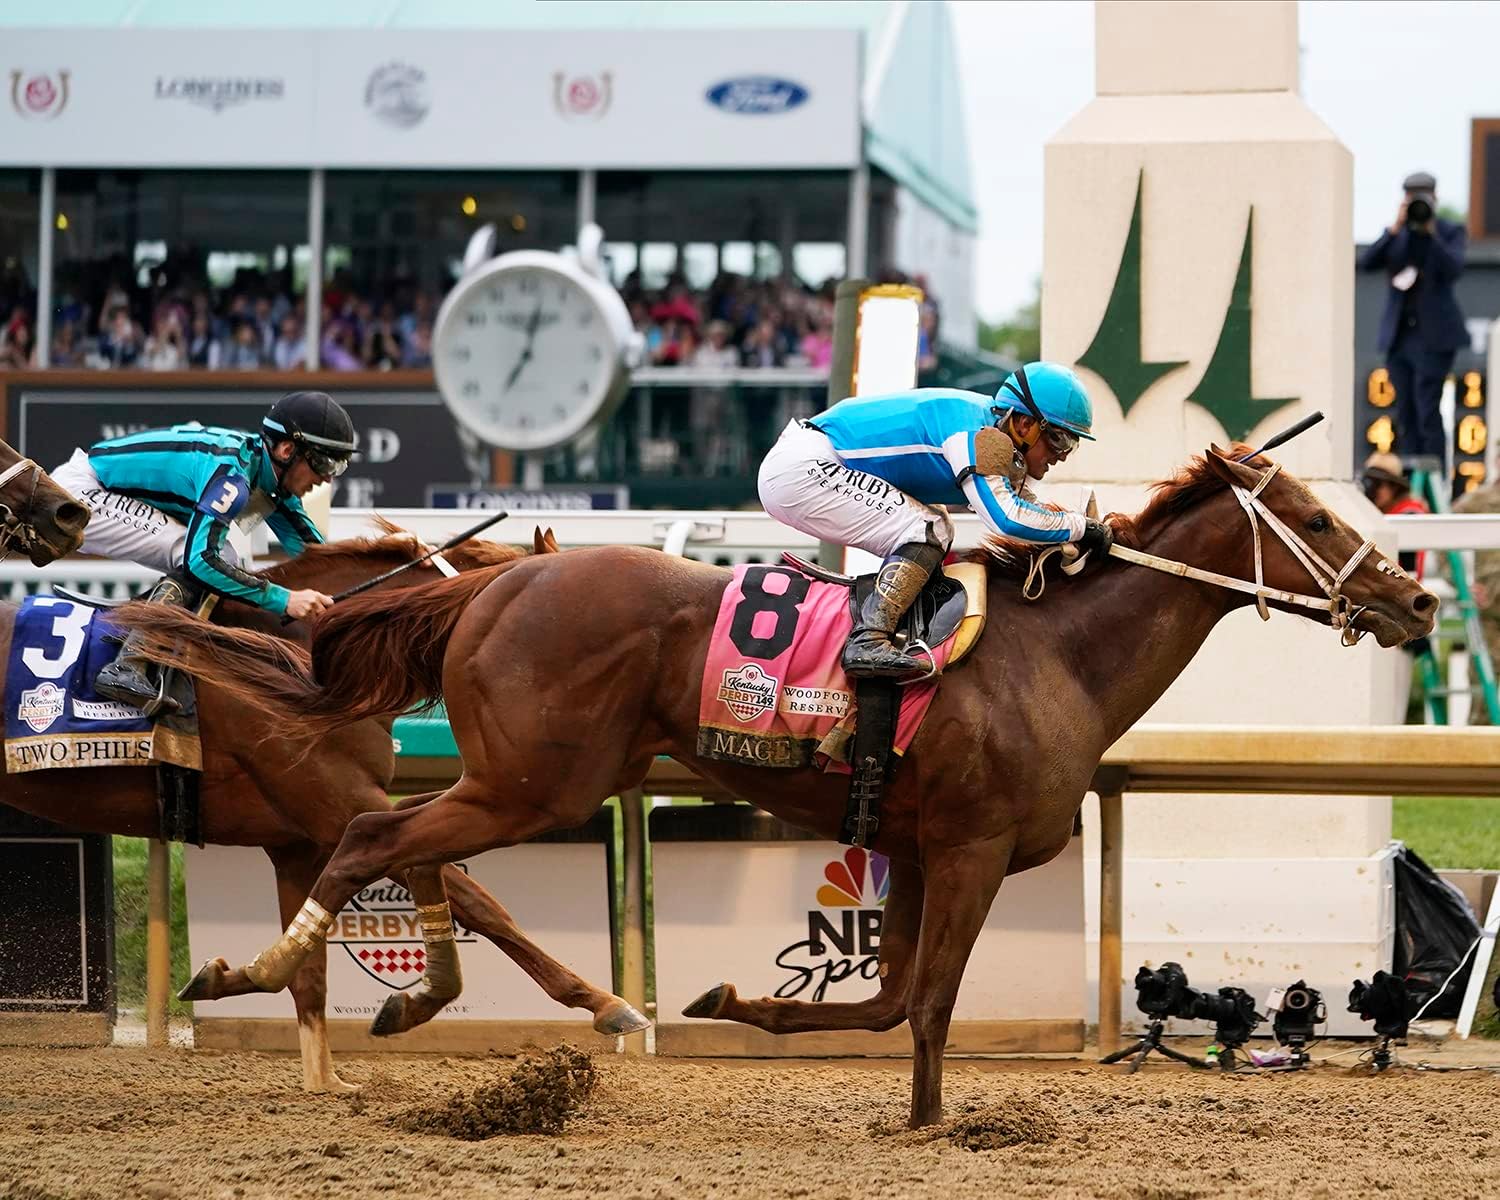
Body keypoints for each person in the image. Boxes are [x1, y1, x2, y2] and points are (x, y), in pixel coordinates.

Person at [758, 362, 1112, 677]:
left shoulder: (990, 430)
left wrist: (1071, 524)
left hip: (810, 461)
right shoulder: (977, 436)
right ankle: (867, 639)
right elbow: (1007, 519)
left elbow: (1023, 506)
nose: (1062, 456)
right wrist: (1080, 526)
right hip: (803, 467)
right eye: (1058, 439)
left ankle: (888, 629)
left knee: (935, 525)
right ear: (1023, 424)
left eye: (1071, 444)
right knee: (928, 529)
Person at [50, 390, 357, 714]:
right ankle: (129, 663)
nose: (325, 478)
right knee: (212, 557)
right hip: (82, 493)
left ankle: (140, 635)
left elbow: (320, 557)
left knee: (223, 557)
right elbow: (201, 562)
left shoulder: (268, 480)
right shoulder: (233, 478)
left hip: (103, 485)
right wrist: (285, 599)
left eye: (337, 467)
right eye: (323, 462)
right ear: (286, 450)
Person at [1358, 171, 1468, 461]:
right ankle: (1408, 478)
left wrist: (1430, 233)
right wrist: (1394, 229)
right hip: (1400, 337)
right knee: (1405, 410)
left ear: (1435, 198)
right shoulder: (1397, 233)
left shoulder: (1448, 231)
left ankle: (1433, 477)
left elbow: (1453, 269)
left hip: (1435, 336)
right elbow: (1367, 262)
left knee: (1427, 408)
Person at [1453, 477, 1500, 724]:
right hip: (1489, 613)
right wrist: (1461, 583)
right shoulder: (1478, 501)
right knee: (1483, 691)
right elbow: (1442, 537)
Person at [1360, 451, 1430, 579]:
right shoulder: (1374, 511)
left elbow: (1408, 568)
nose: (1372, 489)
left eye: (1378, 484)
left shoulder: (1409, 512)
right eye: (1369, 482)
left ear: (1394, 487)